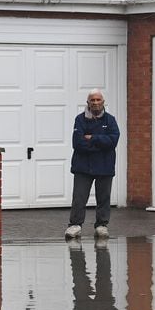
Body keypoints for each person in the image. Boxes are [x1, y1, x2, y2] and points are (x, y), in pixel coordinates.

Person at [65, 89, 119, 240]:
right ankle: (75, 225)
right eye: (92, 100)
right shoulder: (80, 120)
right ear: (88, 103)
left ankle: (101, 226)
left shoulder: (110, 120)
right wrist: (101, 142)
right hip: (83, 166)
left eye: (98, 100)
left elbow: (113, 141)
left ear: (103, 102)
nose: (95, 103)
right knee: (79, 197)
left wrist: (92, 138)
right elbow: (78, 143)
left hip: (105, 166)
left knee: (104, 197)